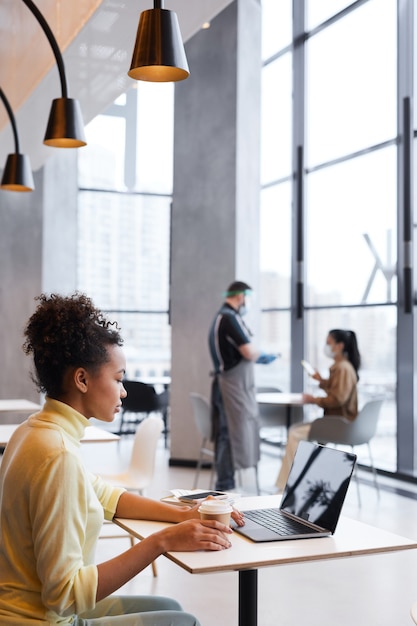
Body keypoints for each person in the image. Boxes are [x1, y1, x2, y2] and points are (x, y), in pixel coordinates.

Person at [0, 293, 244, 626]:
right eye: (118, 379)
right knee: (183, 622)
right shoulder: (57, 454)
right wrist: (161, 542)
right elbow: (65, 595)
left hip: (25, 609)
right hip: (40, 620)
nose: (124, 391)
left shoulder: (34, 431)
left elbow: (105, 496)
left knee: (171, 608)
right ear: (82, 380)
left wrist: (183, 513)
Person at [208, 281, 277, 491]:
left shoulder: (226, 317)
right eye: (247, 298)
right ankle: (225, 487)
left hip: (231, 385)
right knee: (230, 434)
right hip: (231, 387)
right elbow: (248, 351)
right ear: (240, 297)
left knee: (229, 433)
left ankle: (226, 485)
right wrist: (262, 355)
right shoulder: (228, 318)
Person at [275, 329, 361, 492]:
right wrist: (321, 381)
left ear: (340, 346)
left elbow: (337, 399)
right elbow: (337, 390)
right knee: (296, 432)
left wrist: (313, 399)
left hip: (338, 424)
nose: (326, 346)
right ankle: (289, 483)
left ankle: (288, 485)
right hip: (339, 423)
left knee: (294, 433)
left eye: (329, 343)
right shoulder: (343, 367)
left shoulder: (342, 368)